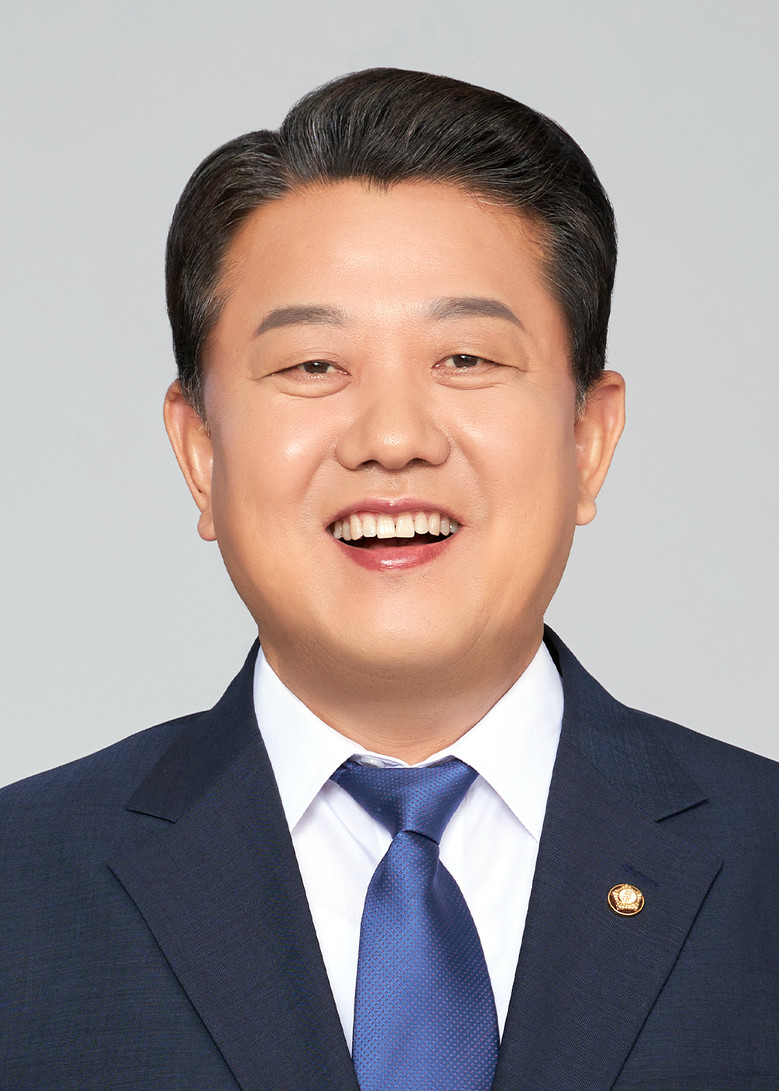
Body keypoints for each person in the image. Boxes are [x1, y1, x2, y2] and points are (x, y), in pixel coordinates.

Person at [1, 68, 777, 1091]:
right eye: (313, 366)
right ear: (200, 453)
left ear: (587, 438)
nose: (394, 436)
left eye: (465, 358)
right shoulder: (21, 888)